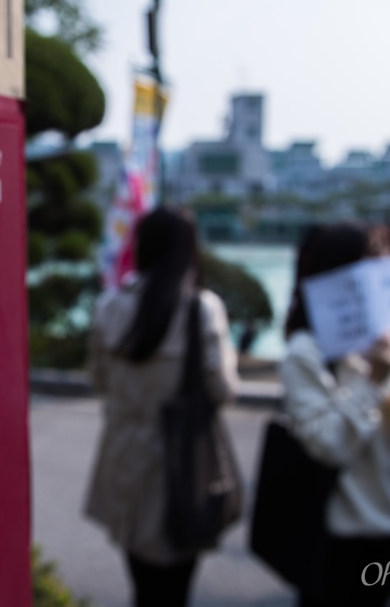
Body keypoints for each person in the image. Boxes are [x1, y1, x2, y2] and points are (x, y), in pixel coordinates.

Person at [281, 222, 390, 607]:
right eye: (373, 264)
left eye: (389, 262)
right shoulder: (307, 351)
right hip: (337, 529)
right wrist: (372, 381)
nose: (388, 276)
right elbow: (326, 443)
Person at [84, 207, 239, 607]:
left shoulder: (110, 306)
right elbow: (222, 390)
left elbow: (99, 382)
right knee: (175, 588)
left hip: (123, 460)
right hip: (181, 466)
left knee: (142, 584)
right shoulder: (201, 308)